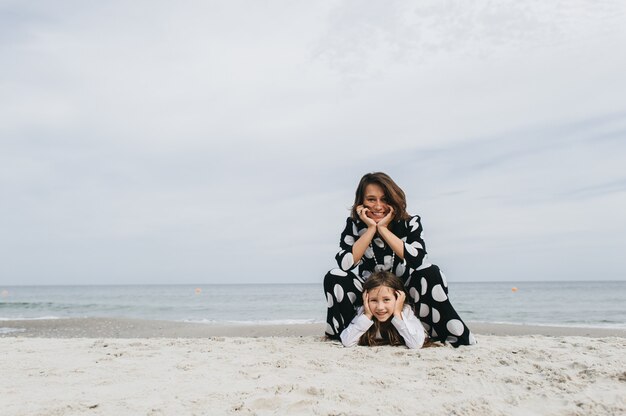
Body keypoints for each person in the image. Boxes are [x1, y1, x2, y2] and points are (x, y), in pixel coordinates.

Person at [323, 172, 476, 347]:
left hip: (406, 292)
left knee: (430, 271)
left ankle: (436, 334)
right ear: (361, 202)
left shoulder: (411, 223)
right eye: (371, 199)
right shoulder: (353, 225)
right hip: (370, 294)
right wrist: (371, 229)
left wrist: (384, 229)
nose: (378, 206)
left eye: (384, 199)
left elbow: (418, 260)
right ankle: (342, 334)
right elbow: (345, 263)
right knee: (335, 275)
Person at [340, 271, 425, 349]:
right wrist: (367, 316)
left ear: (398, 298)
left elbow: (416, 344)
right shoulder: (364, 312)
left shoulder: (405, 312)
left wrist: (397, 314)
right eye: (373, 300)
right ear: (366, 299)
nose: (380, 307)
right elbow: (347, 341)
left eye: (386, 300)